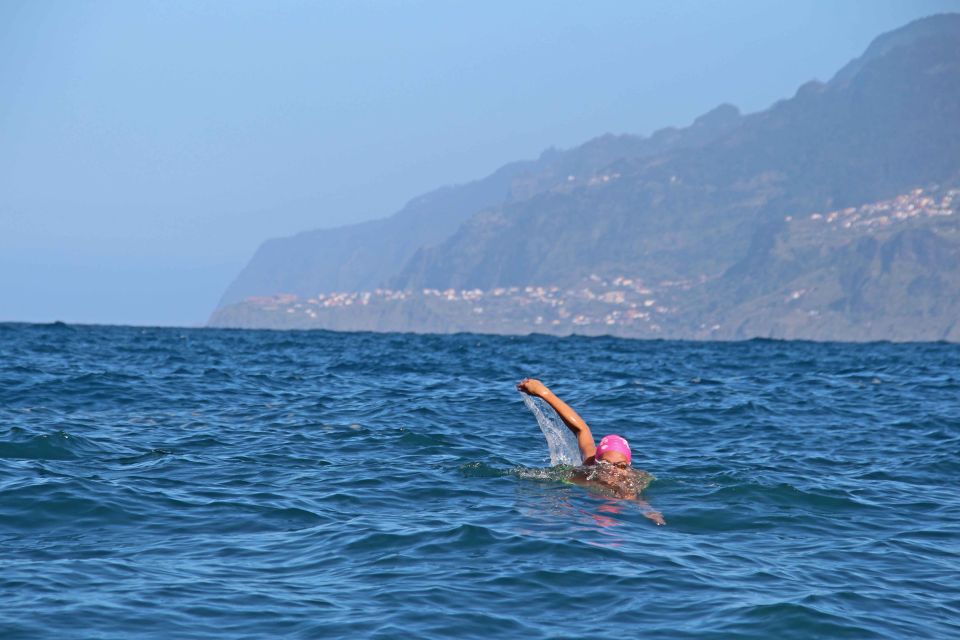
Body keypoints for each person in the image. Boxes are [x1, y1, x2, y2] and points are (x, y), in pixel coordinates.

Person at [517, 377, 665, 525]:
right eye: (606, 463)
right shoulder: (588, 467)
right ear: (596, 462)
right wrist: (543, 392)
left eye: (621, 465)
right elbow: (581, 428)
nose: (613, 470)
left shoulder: (626, 485)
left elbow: (639, 501)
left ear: (628, 466)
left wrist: (650, 512)